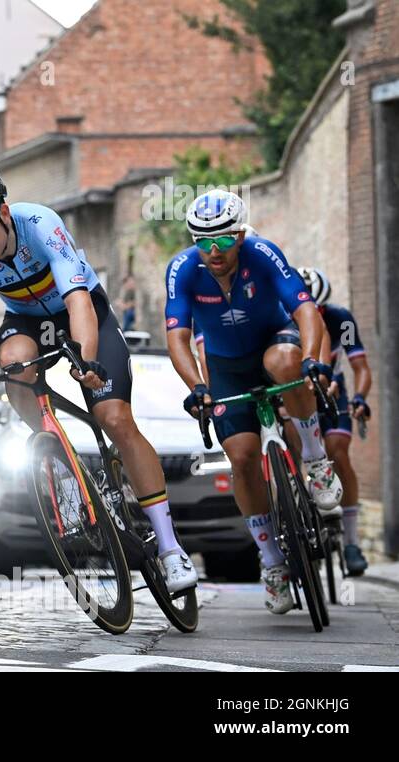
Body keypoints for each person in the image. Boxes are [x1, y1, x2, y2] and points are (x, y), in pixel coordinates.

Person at [0, 165, 197, 593]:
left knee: (115, 419)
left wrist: (87, 361)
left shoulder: (40, 223)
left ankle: (171, 548)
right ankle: (58, 466)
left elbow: (77, 299)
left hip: (80, 311)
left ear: (3, 212)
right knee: (14, 364)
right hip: (24, 320)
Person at [164, 189, 342, 615]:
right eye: (202, 241)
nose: (214, 250)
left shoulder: (263, 253)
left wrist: (313, 359)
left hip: (272, 342)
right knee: (241, 458)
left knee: (285, 363)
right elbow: (178, 337)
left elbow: (305, 312)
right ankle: (273, 562)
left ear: (240, 235)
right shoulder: (183, 270)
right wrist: (198, 386)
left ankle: (315, 461)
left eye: (223, 240)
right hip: (226, 364)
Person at [299, 266, 372, 577]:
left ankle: (352, 542)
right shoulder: (283, 317)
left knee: (338, 451)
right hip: (298, 392)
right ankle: (297, 518)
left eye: (318, 310)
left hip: (333, 391)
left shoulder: (341, 318)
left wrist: (360, 398)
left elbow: (361, 367)